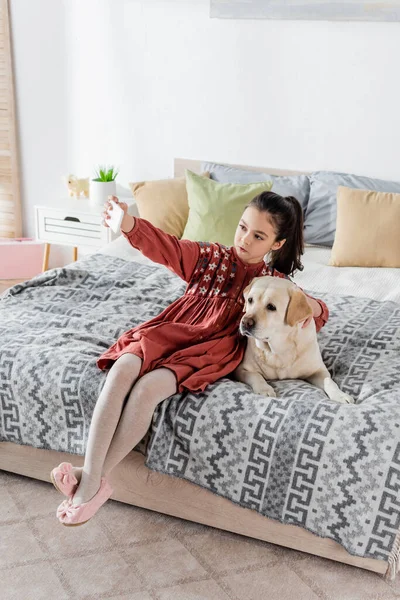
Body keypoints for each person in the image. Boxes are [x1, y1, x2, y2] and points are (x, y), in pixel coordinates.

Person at [55, 191, 329, 525]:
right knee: (123, 367)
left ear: (276, 243)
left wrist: (314, 307)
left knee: (146, 391)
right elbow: (168, 247)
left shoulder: (274, 284)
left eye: (258, 236)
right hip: (174, 330)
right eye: (243, 227)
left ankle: (90, 482)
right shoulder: (210, 257)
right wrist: (126, 223)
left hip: (208, 352)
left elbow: (313, 310)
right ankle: (92, 477)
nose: (245, 239)